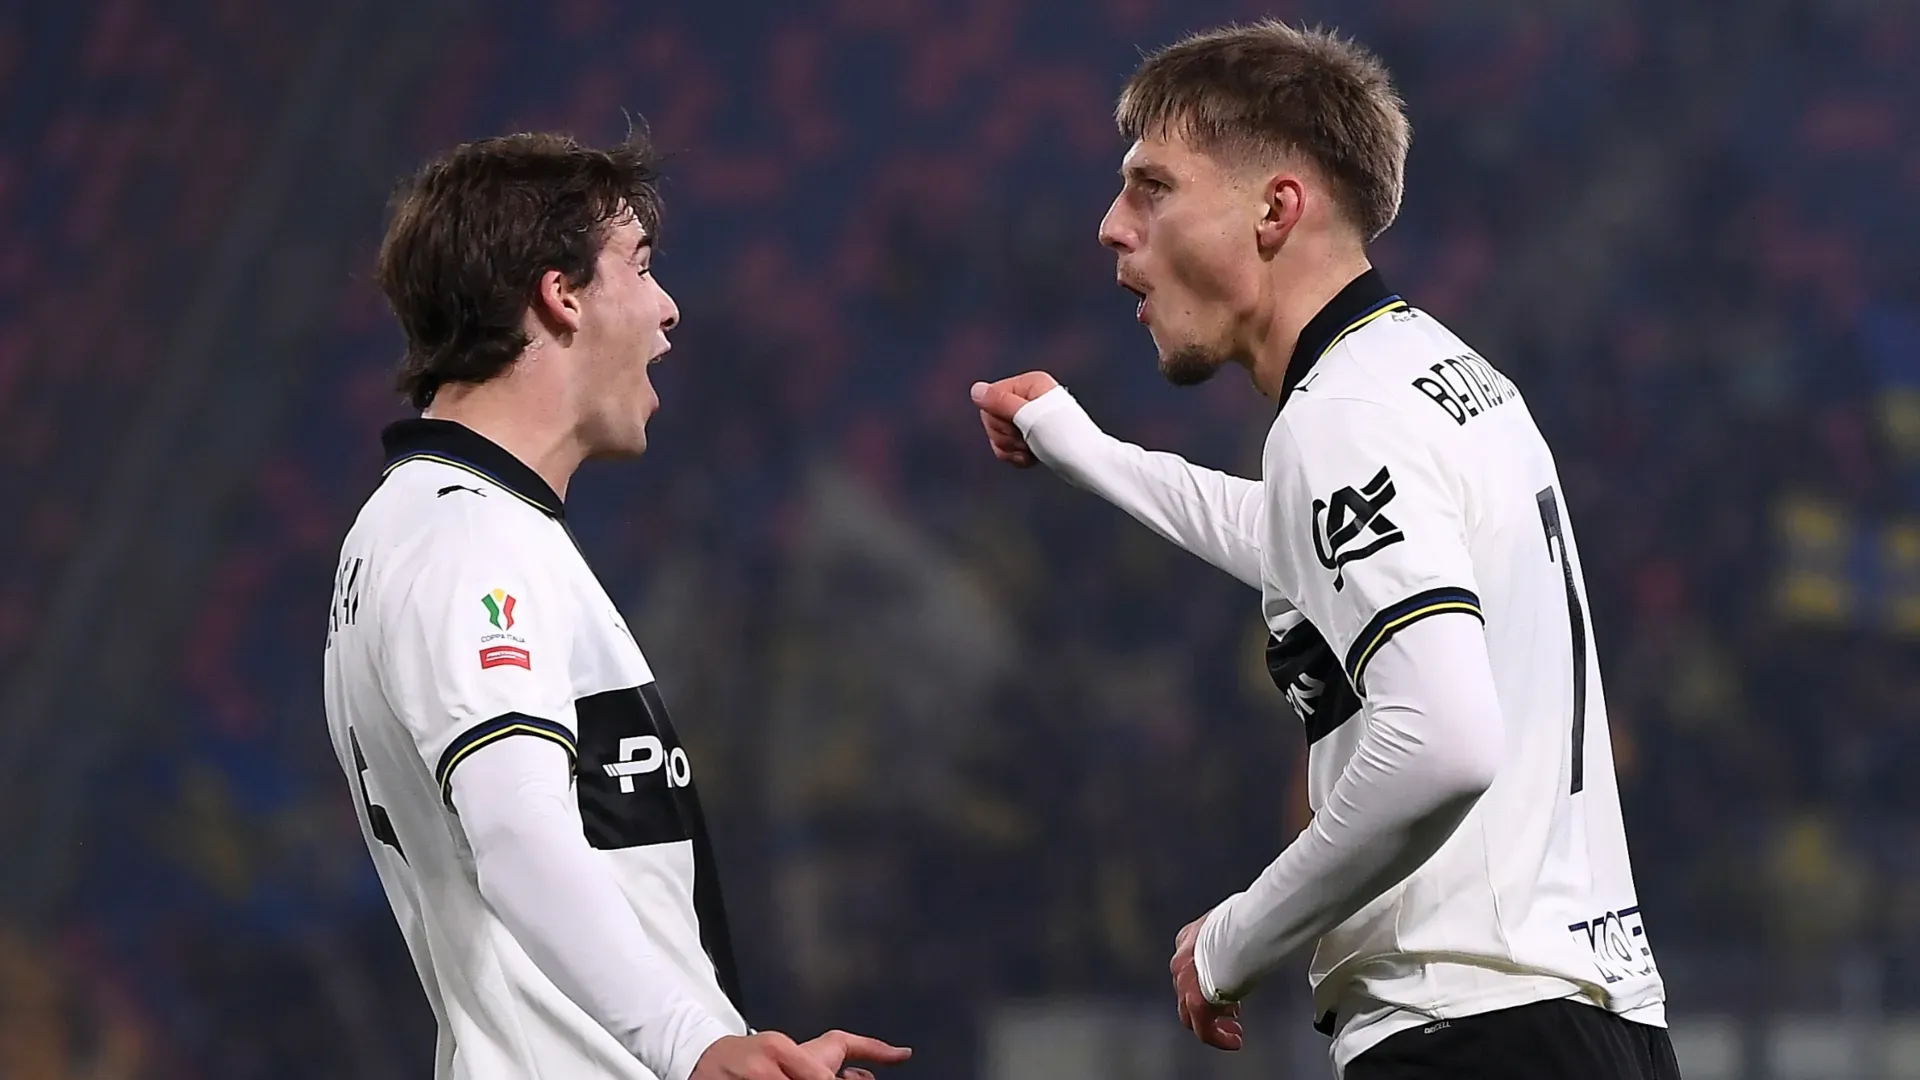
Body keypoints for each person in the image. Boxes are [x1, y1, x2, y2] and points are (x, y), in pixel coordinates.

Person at [970, 22, 1678, 1080]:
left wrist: (1234, 940)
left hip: (1470, 1032)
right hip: (1591, 1018)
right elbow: (1291, 538)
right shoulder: (1437, 372)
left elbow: (1441, 742)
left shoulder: (1342, 415)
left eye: (1152, 188)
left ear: (1275, 209)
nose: (1112, 227)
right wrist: (1088, 450)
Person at [323, 131, 910, 1080]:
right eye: (639, 267)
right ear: (561, 296)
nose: (669, 309)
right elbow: (515, 830)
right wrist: (695, 1046)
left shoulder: (427, 527)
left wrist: (735, 1047)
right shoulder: (473, 543)